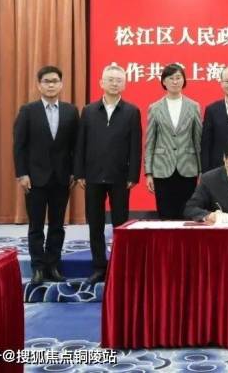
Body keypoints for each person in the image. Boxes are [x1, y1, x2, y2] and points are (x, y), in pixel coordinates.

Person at [74, 64, 142, 284]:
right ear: (101, 83)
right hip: (92, 175)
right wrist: (79, 173)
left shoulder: (131, 111)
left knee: (120, 224)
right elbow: (81, 144)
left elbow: (135, 146)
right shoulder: (89, 111)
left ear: (125, 84)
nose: (114, 83)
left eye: (118, 80)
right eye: (110, 79)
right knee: (95, 223)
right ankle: (98, 266)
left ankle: (120, 265)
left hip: (120, 177)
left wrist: (133, 175)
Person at [13, 66, 79, 285]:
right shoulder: (28, 111)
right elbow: (19, 146)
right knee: (36, 226)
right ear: (39, 85)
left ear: (61, 84)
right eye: (46, 81)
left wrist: (74, 172)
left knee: (58, 225)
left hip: (62, 178)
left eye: (55, 81)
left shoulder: (71, 111)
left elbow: (75, 146)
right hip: (34, 179)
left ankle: (53, 265)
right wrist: (22, 174)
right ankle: (38, 268)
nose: (51, 85)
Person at [144, 63, 202, 219]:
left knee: (188, 213)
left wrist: (201, 171)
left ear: (184, 80)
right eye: (171, 78)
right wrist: (148, 173)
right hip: (162, 168)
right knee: (165, 214)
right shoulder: (155, 108)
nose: (175, 81)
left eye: (178, 78)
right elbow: (150, 141)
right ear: (164, 81)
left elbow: (198, 140)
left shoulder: (194, 106)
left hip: (187, 167)